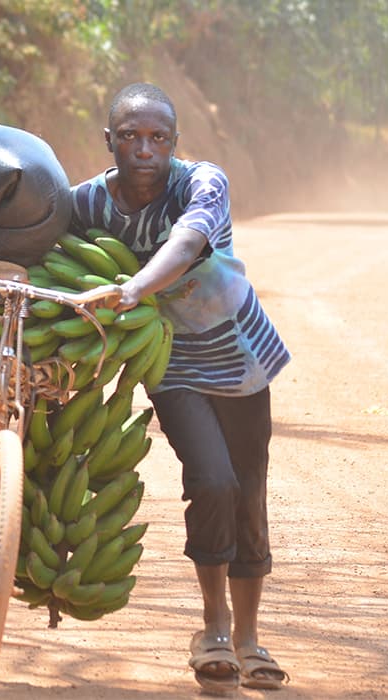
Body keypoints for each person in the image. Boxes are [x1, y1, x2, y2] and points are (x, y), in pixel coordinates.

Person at [67, 82, 291, 694]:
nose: (145, 149)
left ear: (174, 142)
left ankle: (249, 638)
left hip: (240, 358)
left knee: (249, 494)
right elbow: (42, 242)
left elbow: (188, 241)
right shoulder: (87, 203)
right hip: (170, 364)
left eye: (158, 137)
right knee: (212, 481)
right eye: (130, 137)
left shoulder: (202, 183)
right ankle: (213, 628)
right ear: (109, 141)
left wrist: (135, 287)